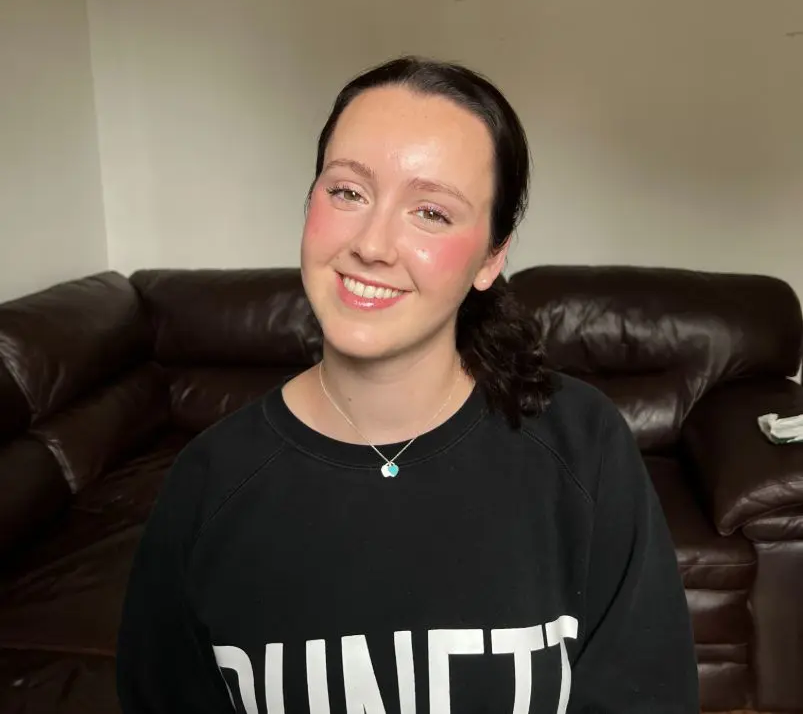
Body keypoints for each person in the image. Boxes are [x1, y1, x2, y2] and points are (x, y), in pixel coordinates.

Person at [116, 57, 699, 713]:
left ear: (490, 257)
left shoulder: (581, 442)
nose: (372, 243)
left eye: (429, 211)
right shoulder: (209, 481)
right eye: (347, 192)